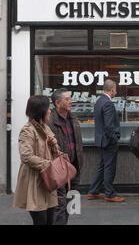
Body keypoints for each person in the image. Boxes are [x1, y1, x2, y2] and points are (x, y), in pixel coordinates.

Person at [13, 95, 63, 225]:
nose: (50, 111)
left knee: (50, 220)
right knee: (41, 220)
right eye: (48, 108)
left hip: (48, 181)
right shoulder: (27, 130)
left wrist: (54, 145)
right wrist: (49, 164)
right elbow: (26, 156)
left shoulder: (46, 128)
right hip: (35, 181)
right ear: (40, 110)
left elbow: (54, 152)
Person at [47, 88, 84, 225]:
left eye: (70, 98)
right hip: (58, 169)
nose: (71, 102)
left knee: (69, 202)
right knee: (59, 204)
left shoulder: (73, 118)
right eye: (67, 99)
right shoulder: (50, 122)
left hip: (74, 167)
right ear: (57, 103)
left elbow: (76, 141)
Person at [88, 79, 125, 202]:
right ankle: (109, 194)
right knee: (109, 167)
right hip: (108, 141)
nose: (116, 91)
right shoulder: (108, 103)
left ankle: (93, 191)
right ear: (113, 89)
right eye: (115, 89)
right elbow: (109, 126)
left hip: (100, 140)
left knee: (103, 166)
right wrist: (115, 138)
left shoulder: (99, 101)